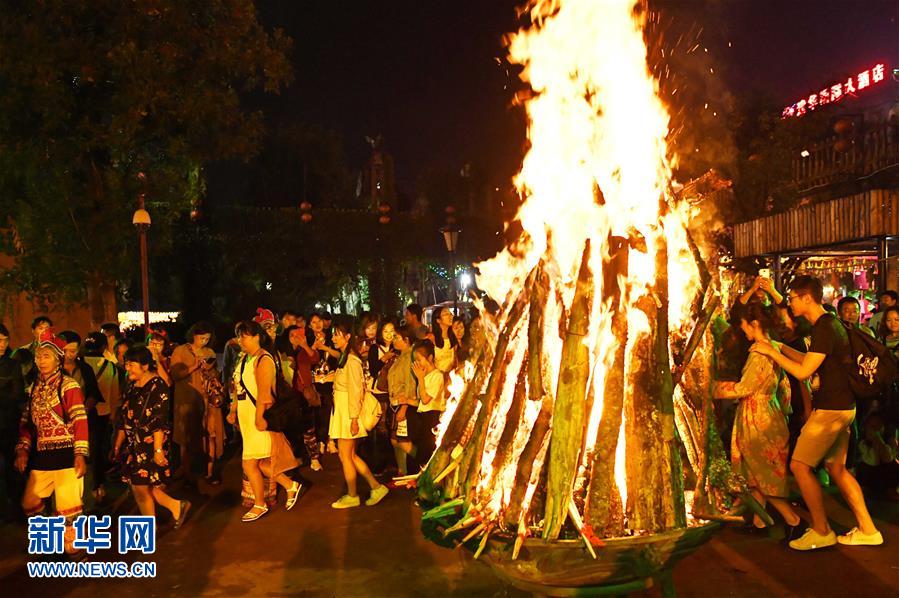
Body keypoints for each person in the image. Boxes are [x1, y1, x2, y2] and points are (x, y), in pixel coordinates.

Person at [752, 275, 883, 549]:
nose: (789, 303)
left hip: (831, 410)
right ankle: (869, 530)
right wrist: (780, 347)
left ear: (807, 298)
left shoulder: (825, 327)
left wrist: (772, 354)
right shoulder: (827, 325)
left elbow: (803, 372)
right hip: (842, 407)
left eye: (792, 298)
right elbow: (811, 360)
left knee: (800, 466)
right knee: (837, 468)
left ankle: (821, 530)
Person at [713, 302, 804, 539]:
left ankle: (793, 521)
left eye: (743, 325)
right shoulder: (772, 346)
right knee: (756, 472)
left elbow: (746, 387)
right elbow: (784, 388)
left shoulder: (759, 352)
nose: (741, 330)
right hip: (770, 414)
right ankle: (759, 521)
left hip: (758, 419)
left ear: (754, 324)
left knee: (764, 475)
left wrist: (713, 389)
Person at [15, 331, 88, 554]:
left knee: (68, 513)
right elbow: (27, 423)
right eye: (38, 356)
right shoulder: (33, 389)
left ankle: (76, 555)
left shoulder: (69, 385)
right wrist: (23, 450)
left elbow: (80, 419)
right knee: (29, 503)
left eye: (46, 356)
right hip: (43, 457)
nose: (41, 360)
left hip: (67, 455)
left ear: (58, 359)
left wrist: (80, 454)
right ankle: (53, 538)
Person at [228, 320, 301, 522]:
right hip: (246, 418)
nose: (240, 340)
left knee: (250, 463)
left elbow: (264, 393)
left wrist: (260, 416)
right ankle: (289, 486)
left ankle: (260, 503)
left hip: (257, 417)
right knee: (257, 463)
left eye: (244, 336)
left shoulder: (264, 359)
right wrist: (233, 410)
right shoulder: (244, 359)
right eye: (239, 336)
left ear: (256, 337)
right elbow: (238, 388)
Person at [112, 346, 191, 527]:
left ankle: (151, 526)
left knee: (141, 486)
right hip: (134, 444)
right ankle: (176, 506)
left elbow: (159, 421)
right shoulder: (131, 385)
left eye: (132, 365)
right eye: (127, 364)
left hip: (151, 444)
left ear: (145, 365)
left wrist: (158, 450)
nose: (128, 368)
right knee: (140, 486)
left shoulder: (158, 386)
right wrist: (118, 444)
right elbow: (124, 416)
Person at [329, 319, 388, 509]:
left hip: (348, 413)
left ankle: (353, 494)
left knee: (346, 456)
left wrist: (354, 419)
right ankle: (375, 487)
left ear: (347, 337)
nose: (333, 338)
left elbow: (356, 391)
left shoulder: (352, 360)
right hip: (344, 411)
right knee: (350, 455)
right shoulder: (345, 358)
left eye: (337, 334)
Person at [58, 330, 105, 504]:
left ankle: (89, 496)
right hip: (61, 423)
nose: (69, 355)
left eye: (74, 351)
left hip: (85, 420)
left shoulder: (85, 368)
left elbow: (94, 392)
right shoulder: (54, 370)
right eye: (66, 351)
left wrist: (83, 410)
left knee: (87, 456)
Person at [170, 321, 215, 484]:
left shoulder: (209, 351)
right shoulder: (181, 350)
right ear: (193, 335)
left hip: (204, 397)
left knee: (203, 433)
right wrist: (194, 367)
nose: (204, 341)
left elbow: (214, 374)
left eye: (207, 338)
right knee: (184, 434)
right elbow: (175, 375)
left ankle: (202, 469)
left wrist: (208, 369)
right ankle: (185, 469)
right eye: (202, 338)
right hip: (185, 398)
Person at [83, 332, 121, 505]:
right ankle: (98, 486)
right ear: (104, 347)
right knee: (99, 451)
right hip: (102, 414)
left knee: (82, 450)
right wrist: (113, 415)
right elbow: (115, 395)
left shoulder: (79, 364)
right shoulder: (111, 366)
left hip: (80, 414)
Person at [286, 324, 322, 471]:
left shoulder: (303, 353)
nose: (295, 338)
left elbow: (315, 358)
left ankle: (314, 458)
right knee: (293, 429)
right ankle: (296, 457)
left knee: (309, 428)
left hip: (304, 395)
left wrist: (305, 345)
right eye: (292, 336)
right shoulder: (284, 354)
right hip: (290, 395)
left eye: (298, 335)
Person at [0, 323, 26, 521]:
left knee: (13, 468)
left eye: (5, 340)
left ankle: (17, 507)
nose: (2, 344)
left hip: (9, 424)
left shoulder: (12, 364)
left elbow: (17, 395)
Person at [387, 326, 418, 476]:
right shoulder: (401, 356)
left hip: (403, 403)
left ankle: (424, 462)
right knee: (395, 440)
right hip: (395, 403)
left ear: (406, 340)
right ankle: (402, 471)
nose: (393, 340)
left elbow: (410, 383)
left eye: (396, 337)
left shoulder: (409, 357)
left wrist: (404, 407)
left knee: (403, 441)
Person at [410, 339, 445, 464]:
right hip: (423, 418)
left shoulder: (437, 376)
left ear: (430, 358)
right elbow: (420, 401)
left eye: (419, 359)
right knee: (421, 452)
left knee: (426, 454)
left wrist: (420, 378)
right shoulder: (425, 376)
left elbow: (425, 400)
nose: (417, 363)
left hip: (432, 417)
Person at [310, 312, 339, 455]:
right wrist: (314, 347)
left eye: (319, 321)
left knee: (330, 411)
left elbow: (339, 356)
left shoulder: (331, 339)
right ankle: (320, 441)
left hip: (330, 381)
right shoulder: (308, 340)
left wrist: (325, 348)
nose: (318, 324)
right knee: (318, 413)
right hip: (315, 383)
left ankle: (330, 440)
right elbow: (306, 360)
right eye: (314, 322)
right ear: (310, 325)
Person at [197, 347, 225, 484]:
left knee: (210, 440)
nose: (207, 363)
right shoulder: (199, 375)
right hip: (201, 411)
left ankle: (210, 472)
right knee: (206, 441)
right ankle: (207, 471)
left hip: (210, 412)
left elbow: (218, 398)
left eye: (210, 361)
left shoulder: (212, 376)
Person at [15, 316, 53, 385]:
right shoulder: (23, 350)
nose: (44, 332)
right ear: (33, 330)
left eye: (47, 328)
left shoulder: (57, 350)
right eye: (40, 328)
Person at [431, 307, 457, 374]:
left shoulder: (453, 338)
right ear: (438, 320)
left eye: (451, 314)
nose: (450, 316)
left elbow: (455, 361)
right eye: (446, 314)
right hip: (436, 379)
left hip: (450, 378)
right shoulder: (432, 338)